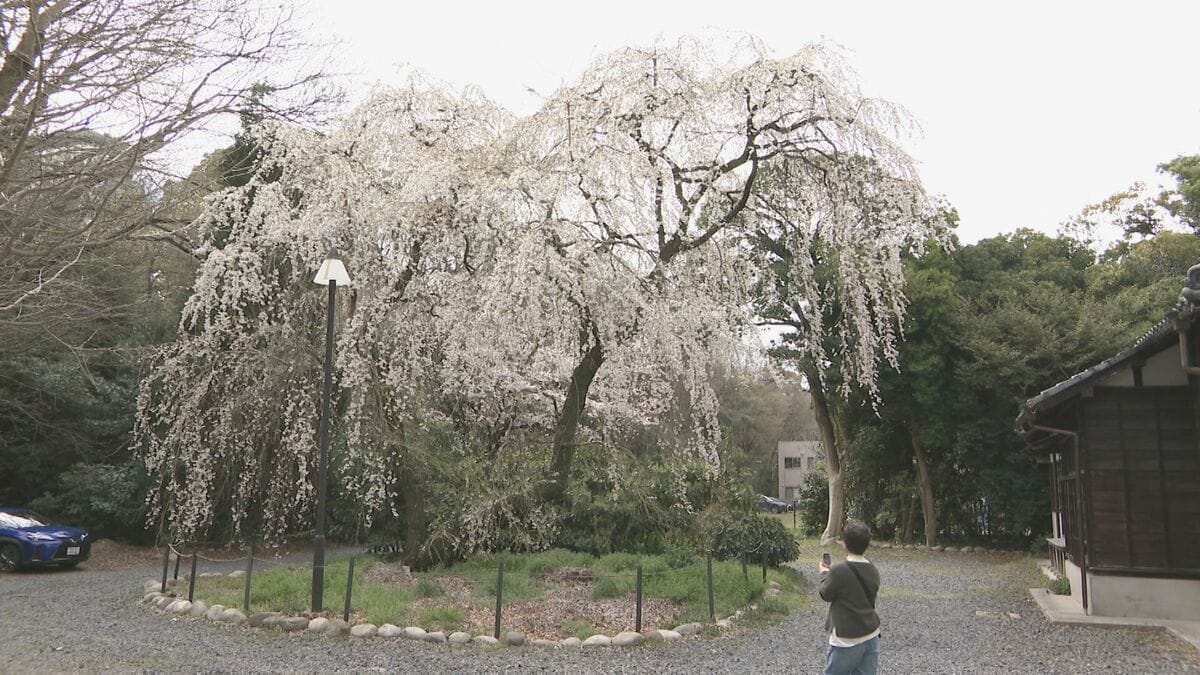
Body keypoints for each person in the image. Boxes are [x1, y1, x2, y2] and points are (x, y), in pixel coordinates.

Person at [818, 521, 881, 675]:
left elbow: (825, 594)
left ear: (845, 544)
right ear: (867, 544)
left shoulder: (839, 570)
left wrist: (825, 573)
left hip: (846, 639)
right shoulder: (872, 569)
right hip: (871, 634)